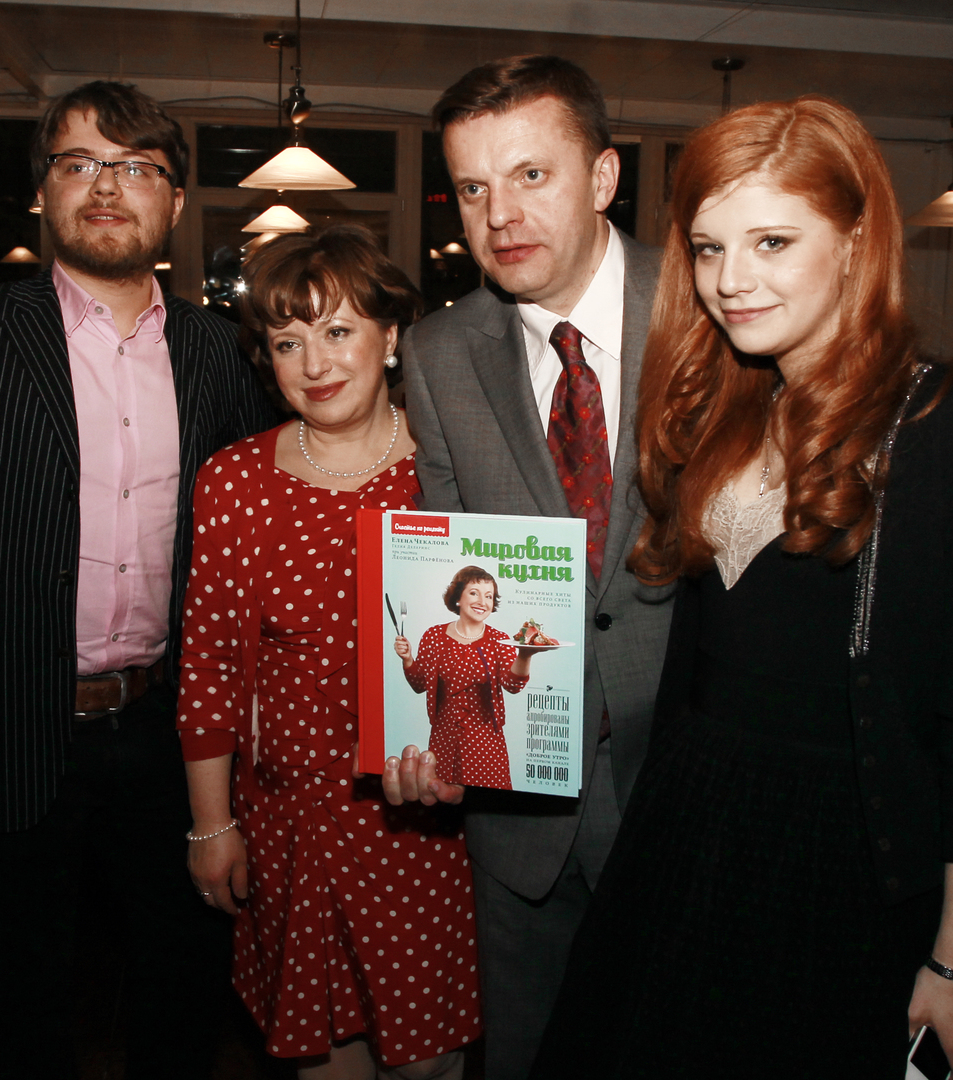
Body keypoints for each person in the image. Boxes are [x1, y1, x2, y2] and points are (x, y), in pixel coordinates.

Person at [530, 96, 953, 1080]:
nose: (730, 280)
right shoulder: (725, 407)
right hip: (690, 831)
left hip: (844, 860)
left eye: (771, 241)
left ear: (855, 240)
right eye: (709, 248)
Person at [0, 81, 276, 1079]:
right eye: (79, 162)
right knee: (18, 999)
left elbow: (251, 545)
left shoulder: (219, 351)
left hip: (172, 730)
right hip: (2, 720)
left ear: (174, 201)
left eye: (136, 166)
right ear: (43, 192)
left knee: (182, 985)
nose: (106, 186)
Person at [391, 55, 675, 1078]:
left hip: (685, 796)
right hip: (519, 815)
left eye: (530, 175)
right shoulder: (438, 352)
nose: (498, 215)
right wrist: (425, 738)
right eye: (471, 188)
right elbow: (448, 562)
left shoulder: (708, 308)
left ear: (602, 177)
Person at [179, 224, 479, 1080]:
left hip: (425, 829)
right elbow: (208, 669)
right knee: (322, 1061)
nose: (314, 363)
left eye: (338, 331)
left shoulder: (452, 469)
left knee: (427, 1064)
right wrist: (211, 825)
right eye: (287, 342)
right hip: (290, 828)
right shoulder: (234, 480)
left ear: (390, 338)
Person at [395, 565, 536, 789]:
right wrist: (407, 659)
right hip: (443, 739)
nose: (482, 601)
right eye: (474, 593)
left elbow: (512, 685)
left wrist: (525, 655)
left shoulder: (499, 640)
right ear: (458, 597)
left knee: (488, 804)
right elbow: (420, 684)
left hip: (486, 743)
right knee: (439, 799)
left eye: (489, 596)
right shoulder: (433, 636)